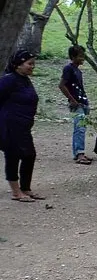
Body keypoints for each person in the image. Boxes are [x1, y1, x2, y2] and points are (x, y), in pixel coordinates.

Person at [0, 50, 44, 202]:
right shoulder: (9, 80)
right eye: (29, 63)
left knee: (29, 155)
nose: (32, 66)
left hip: (23, 127)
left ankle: (26, 188)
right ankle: (16, 191)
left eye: (33, 63)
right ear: (18, 65)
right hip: (10, 125)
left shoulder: (24, 79)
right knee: (12, 156)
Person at [58, 45, 92, 165]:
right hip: (76, 103)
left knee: (80, 128)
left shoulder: (78, 70)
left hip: (82, 102)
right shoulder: (69, 69)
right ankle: (79, 154)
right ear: (73, 57)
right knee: (80, 128)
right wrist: (72, 100)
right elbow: (61, 85)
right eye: (80, 56)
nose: (83, 58)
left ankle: (78, 152)